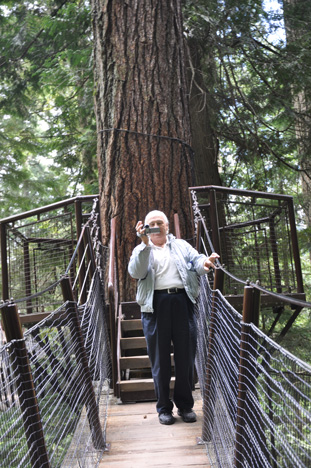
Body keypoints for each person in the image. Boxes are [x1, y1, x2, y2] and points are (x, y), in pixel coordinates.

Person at [128, 210, 219, 425]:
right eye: (151, 224)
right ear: (145, 228)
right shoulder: (141, 249)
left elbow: (197, 261)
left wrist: (205, 264)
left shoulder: (181, 245)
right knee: (159, 359)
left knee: (185, 357)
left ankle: (185, 406)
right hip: (154, 306)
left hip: (182, 302)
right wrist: (144, 243)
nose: (156, 226)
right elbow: (136, 272)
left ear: (167, 226)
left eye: (160, 222)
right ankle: (163, 408)